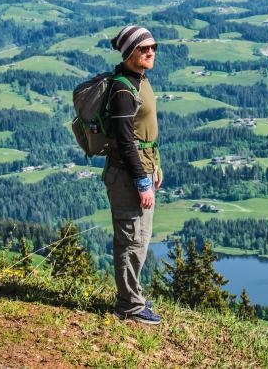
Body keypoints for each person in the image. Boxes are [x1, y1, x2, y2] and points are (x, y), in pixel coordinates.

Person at [106, 24, 162, 324]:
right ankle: (128, 305)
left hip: (142, 167)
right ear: (129, 52)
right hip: (128, 175)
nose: (150, 52)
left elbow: (145, 134)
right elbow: (126, 142)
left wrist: (155, 165)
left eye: (153, 46)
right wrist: (142, 181)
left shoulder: (140, 80)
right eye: (143, 48)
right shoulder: (122, 90)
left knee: (139, 238)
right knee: (130, 239)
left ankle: (133, 296)